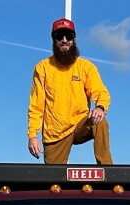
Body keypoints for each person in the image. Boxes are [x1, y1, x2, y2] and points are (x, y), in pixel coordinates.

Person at [27, 18, 113, 165]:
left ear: (74, 37)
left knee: (101, 122)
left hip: (80, 124)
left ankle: (106, 170)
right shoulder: (42, 68)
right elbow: (36, 105)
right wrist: (32, 135)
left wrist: (100, 107)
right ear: (53, 39)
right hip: (55, 132)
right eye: (59, 36)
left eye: (68, 36)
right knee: (53, 181)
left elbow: (100, 91)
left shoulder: (86, 67)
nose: (64, 40)